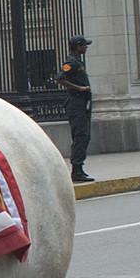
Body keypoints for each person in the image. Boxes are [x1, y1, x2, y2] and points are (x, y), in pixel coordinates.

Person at [59, 36, 93, 182]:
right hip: (76, 103)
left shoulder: (78, 62)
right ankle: (76, 170)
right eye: (84, 45)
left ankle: (79, 168)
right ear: (78, 46)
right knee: (80, 135)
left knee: (84, 135)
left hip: (82, 103)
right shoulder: (70, 63)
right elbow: (60, 79)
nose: (86, 47)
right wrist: (79, 88)